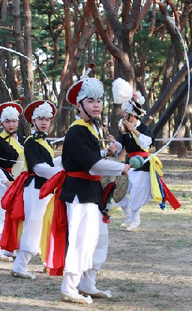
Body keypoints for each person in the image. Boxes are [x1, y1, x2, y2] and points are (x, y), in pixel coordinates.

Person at [42, 76, 130, 305]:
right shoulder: (77, 130)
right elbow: (91, 165)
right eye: (90, 101)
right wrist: (122, 167)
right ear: (79, 105)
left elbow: (90, 158)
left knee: (98, 240)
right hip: (80, 193)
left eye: (99, 100)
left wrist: (106, 154)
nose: (97, 105)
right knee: (82, 240)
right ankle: (69, 287)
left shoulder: (90, 129)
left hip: (91, 193)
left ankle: (87, 284)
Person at [5, 100, 62, 279]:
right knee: (34, 224)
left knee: (45, 223)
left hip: (45, 187)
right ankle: (20, 265)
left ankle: (46, 261)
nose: (45, 122)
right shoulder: (31, 141)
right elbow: (38, 168)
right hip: (36, 188)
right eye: (41, 119)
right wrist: (62, 172)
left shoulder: (45, 142)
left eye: (47, 119)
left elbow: (50, 164)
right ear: (33, 121)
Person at [0, 101, 25, 262]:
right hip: (3, 182)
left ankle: (11, 247)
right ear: (2, 123)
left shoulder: (23, 139)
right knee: (1, 214)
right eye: (8, 121)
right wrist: (5, 181)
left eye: (14, 121)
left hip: (20, 181)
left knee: (17, 214)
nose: (11, 124)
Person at [115, 92, 154, 231]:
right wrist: (114, 144)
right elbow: (120, 144)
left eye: (126, 114)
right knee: (118, 192)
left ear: (132, 115)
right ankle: (128, 215)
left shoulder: (144, 129)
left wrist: (135, 131)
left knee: (136, 194)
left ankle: (134, 223)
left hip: (143, 165)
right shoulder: (124, 129)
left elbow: (147, 143)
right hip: (128, 165)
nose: (124, 116)